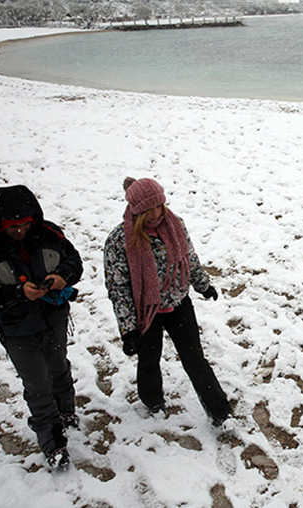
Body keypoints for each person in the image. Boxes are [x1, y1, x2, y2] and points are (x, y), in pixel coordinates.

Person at [0, 185, 83, 472]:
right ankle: (52, 443)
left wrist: (61, 277)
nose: (19, 230)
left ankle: (66, 411)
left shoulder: (49, 234)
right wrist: (18, 293)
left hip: (53, 318)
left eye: (24, 224)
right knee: (37, 384)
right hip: (17, 329)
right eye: (12, 226)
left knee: (58, 368)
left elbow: (74, 262)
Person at [103, 177, 231, 426]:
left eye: (158, 206)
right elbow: (117, 286)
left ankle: (220, 412)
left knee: (195, 360)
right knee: (149, 360)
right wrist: (128, 329)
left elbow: (189, 257)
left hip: (179, 304)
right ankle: (153, 401)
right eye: (148, 208)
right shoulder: (120, 240)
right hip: (145, 311)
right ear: (135, 209)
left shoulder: (175, 225)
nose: (154, 214)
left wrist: (203, 285)